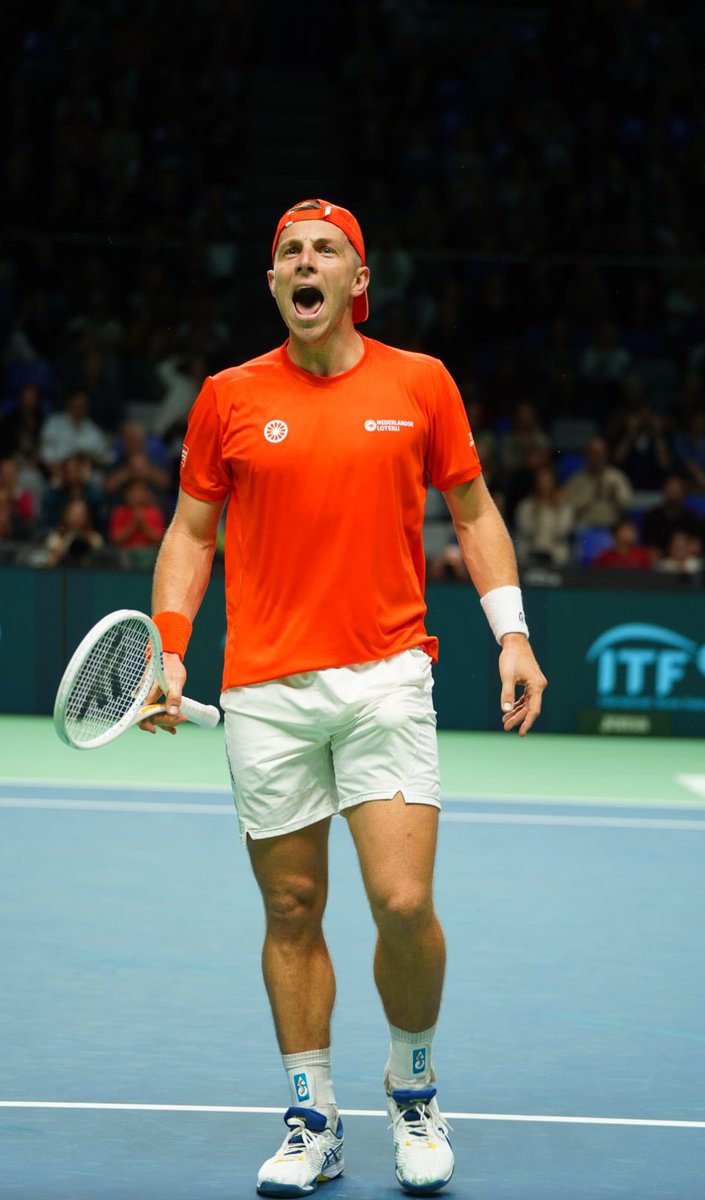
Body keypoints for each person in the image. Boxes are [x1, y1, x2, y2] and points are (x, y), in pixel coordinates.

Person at [139, 199, 547, 1197]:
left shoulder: (421, 384)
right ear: (274, 284)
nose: (306, 262)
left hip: (387, 675)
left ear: (358, 282)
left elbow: (475, 510)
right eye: (289, 252)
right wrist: (169, 648)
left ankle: (412, 1090)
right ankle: (311, 1115)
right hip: (265, 689)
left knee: (402, 903)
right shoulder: (228, 396)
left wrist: (513, 633)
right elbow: (192, 534)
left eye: (326, 250)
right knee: (291, 906)